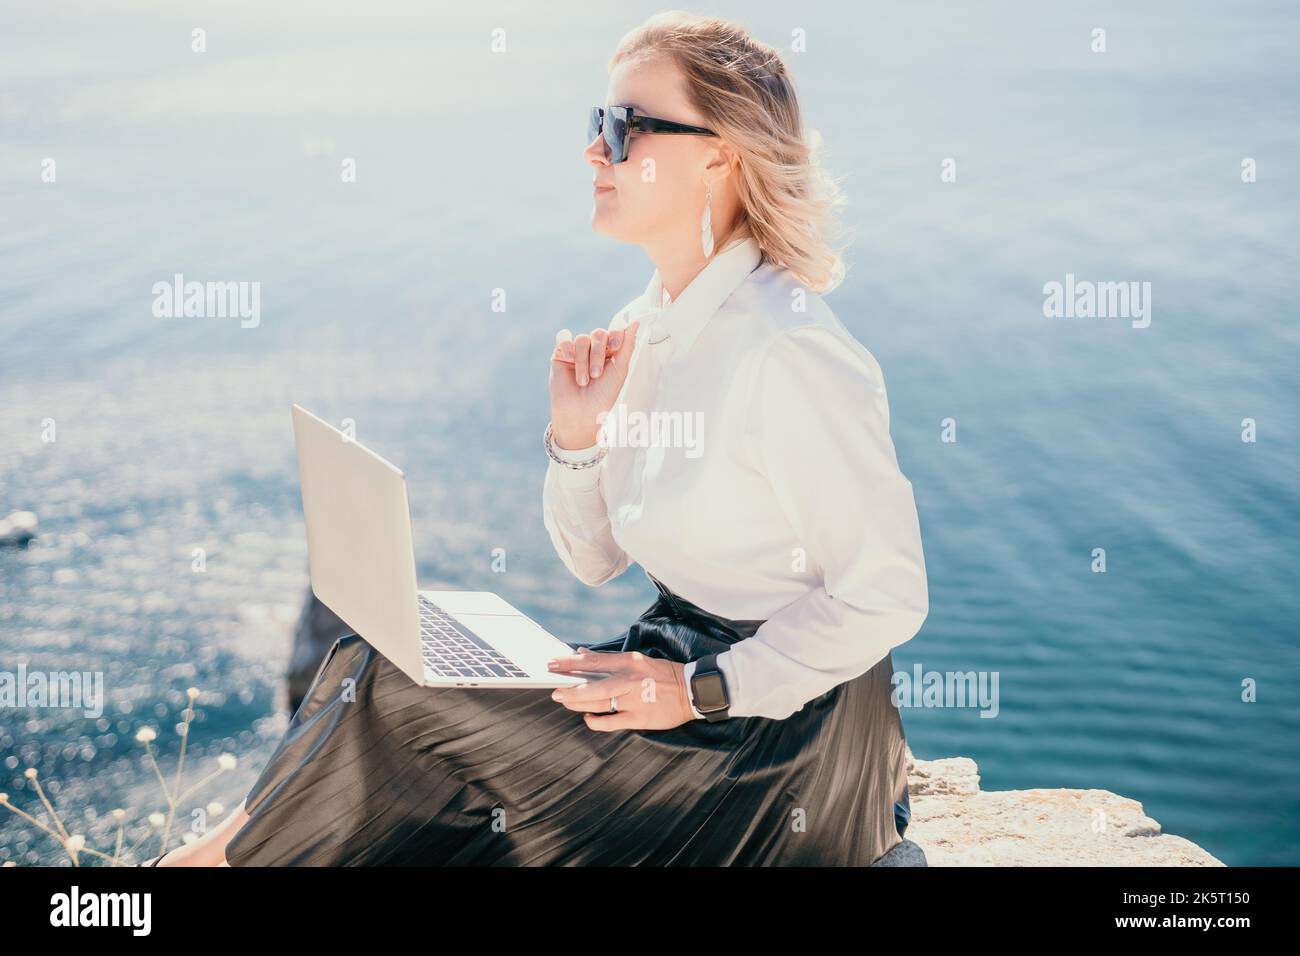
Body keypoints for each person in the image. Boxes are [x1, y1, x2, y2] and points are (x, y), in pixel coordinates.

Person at [151, 11, 928, 867]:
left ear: (721, 154)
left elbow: (886, 597)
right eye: (598, 126)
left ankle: (184, 879)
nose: (596, 152)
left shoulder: (789, 351)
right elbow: (593, 560)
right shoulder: (648, 327)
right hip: (676, 688)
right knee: (375, 656)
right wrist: (577, 437)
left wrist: (700, 687)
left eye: (625, 129)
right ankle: (203, 867)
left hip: (780, 750)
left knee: (396, 698)